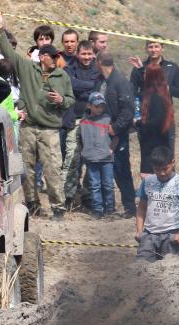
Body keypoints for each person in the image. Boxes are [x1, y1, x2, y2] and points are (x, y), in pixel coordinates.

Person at [0, 10, 74, 220]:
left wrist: (62, 101)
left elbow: (70, 100)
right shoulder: (27, 68)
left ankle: (58, 209)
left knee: (52, 171)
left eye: (57, 56)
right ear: (43, 57)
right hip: (28, 127)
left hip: (50, 130)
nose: (56, 59)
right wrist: (0, 28)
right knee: (26, 171)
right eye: (52, 56)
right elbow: (9, 54)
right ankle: (33, 205)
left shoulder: (62, 76)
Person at [135, 146, 179, 262]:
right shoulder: (148, 182)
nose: (162, 173)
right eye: (157, 169)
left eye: (165, 168)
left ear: (173, 163)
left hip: (171, 236)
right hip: (149, 234)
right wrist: (139, 231)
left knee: (170, 270)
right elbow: (141, 208)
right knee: (141, 268)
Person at [96, 52, 136, 217]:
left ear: (99, 63)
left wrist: (116, 128)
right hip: (103, 132)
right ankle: (106, 206)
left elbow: (128, 110)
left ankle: (130, 207)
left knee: (121, 170)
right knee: (105, 169)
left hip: (117, 135)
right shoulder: (103, 81)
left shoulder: (120, 82)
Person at [62, 40, 101, 208]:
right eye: (83, 54)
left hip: (94, 121)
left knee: (93, 159)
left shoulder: (99, 70)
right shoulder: (68, 69)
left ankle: (90, 198)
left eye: (89, 54)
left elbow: (98, 90)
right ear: (77, 54)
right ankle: (67, 198)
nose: (86, 57)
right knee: (71, 159)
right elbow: (70, 85)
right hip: (74, 120)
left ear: (93, 54)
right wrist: (89, 86)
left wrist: (82, 87)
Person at [128, 36, 179, 150]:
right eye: (150, 46)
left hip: (166, 119)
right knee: (147, 157)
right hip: (146, 119)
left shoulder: (172, 68)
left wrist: (167, 88)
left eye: (156, 46)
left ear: (162, 48)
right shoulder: (139, 67)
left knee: (166, 156)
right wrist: (137, 115)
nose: (154, 50)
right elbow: (132, 93)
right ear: (146, 49)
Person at [79, 92, 115, 218]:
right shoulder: (83, 121)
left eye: (101, 106)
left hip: (106, 159)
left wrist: (111, 149)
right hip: (91, 158)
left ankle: (110, 209)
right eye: (96, 106)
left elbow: (115, 136)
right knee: (94, 186)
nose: (99, 109)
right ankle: (97, 210)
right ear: (89, 106)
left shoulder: (107, 119)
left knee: (108, 185)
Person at [136, 64, 173, 176]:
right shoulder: (162, 94)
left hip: (154, 145)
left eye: (146, 73)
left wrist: (138, 123)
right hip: (156, 143)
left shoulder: (156, 97)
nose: (144, 75)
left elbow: (156, 121)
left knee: (149, 177)